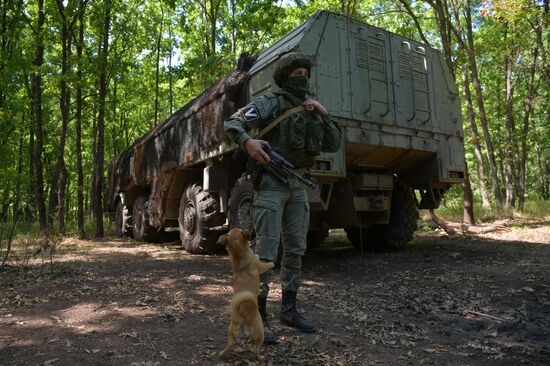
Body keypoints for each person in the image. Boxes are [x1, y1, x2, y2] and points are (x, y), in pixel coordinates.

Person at [223, 52, 342, 343]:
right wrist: (248, 142)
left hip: (298, 184)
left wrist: (324, 114)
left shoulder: (311, 108)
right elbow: (232, 123)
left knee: (297, 249)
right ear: (286, 76)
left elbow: (334, 143)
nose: (302, 78)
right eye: (296, 73)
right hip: (273, 184)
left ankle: (289, 309)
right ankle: (259, 316)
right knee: (265, 252)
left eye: (305, 73)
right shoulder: (271, 102)